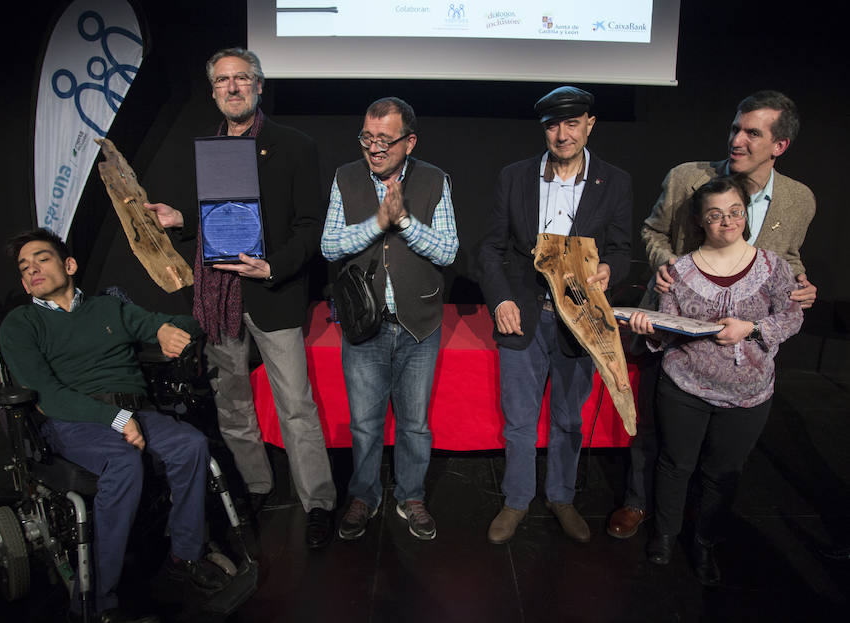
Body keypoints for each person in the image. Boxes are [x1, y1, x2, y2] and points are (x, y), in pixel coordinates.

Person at [145, 48, 336, 549]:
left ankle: (317, 501)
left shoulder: (293, 145)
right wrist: (180, 218)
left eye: (242, 79)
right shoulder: (209, 148)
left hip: (272, 294)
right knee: (232, 404)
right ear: (213, 91)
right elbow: (218, 215)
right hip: (217, 297)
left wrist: (274, 266)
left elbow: (310, 224)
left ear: (258, 86)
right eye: (222, 80)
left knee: (295, 405)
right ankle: (256, 484)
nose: (232, 87)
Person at [608, 90, 817, 540]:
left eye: (752, 133)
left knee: (719, 448)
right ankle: (639, 501)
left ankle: (693, 514)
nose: (737, 140)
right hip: (674, 322)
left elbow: (789, 257)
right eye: (734, 128)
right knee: (654, 423)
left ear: (779, 146)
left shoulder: (799, 200)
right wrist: (665, 263)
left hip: (739, 342)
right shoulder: (687, 178)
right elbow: (652, 231)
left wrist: (802, 284)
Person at [0, 228, 228, 623]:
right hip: (75, 421)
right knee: (123, 462)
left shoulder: (108, 309)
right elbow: (47, 394)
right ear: (23, 283)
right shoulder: (21, 324)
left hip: (136, 411)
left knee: (191, 444)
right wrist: (116, 419)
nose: (33, 269)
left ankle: (185, 556)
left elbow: (180, 321)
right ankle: (95, 599)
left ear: (68, 265)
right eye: (25, 267)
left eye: (42, 258)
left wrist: (169, 331)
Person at [627, 175, 802, 584]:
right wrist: (649, 329)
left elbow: (792, 316)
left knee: (723, 471)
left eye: (736, 212)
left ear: (747, 213)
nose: (728, 222)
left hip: (749, 393)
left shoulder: (773, 266)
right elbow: (668, 328)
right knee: (675, 464)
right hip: (684, 385)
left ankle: (705, 543)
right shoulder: (678, 272)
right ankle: (666, 536)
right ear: (700, 221)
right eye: (716, 215)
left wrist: (752, 328)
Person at [477, 86, 632, 544]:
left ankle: (561, 496)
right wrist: (501, 299)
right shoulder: (515, 176)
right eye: (552, 125)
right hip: (523, 314)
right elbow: (490, 247)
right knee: (520, 418)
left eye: (571, 123)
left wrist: (608, 268)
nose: (562, 134)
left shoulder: (614, 180)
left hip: (580, 318)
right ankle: (517, 500)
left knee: (568, 417)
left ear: (589, 124)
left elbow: (623, 249)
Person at [321, 97, 459, 541]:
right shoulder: (345, 177)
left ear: (409, 140)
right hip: (364, 324)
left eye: (384, 139)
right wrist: (378, 222)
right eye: (367, 137)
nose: (374, 148)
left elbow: (448, 249)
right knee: (364, 422)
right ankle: (364, 494)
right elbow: (329, 245)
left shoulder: (436, 179)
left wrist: (404, 222)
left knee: (415, 422)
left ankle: (410, 494)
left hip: (419, 323)